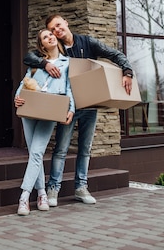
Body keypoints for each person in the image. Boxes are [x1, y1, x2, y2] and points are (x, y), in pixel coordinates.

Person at [24, 14, 134, 207]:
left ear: (66, 23)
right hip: (67, 106)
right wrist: (45, 64)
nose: (57, 31)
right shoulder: (56, 50)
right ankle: (53, 188)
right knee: (61, 149)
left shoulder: (87, 42)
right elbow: (29, 57)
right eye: (53, 29)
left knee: (85, 149)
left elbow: (115, 54)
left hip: (89, 105)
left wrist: (127, 72)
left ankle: (81, 188)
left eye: (58, 26)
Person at [13, 29, 75, 216]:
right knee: (34, 154)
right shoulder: (36, 63)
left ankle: (24, 197)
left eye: (51, 35)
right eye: (45, 37)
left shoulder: (67, 63)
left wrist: (71, 108)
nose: (50, 37)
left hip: (50, 109)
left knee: (38, 152)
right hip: (30, 108)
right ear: (42, 45)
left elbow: (69, 88)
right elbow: (24, 84)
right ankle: (41, 194)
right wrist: (17, 98)